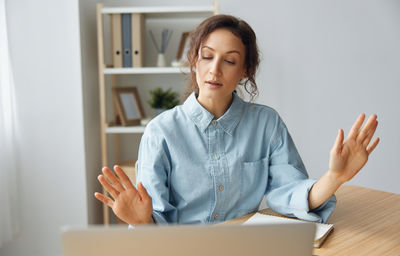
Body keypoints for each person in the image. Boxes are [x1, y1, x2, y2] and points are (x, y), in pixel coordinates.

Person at [94, 14, 379, 226]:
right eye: (206, 57)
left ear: (245, 71)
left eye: (229, 61)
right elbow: (156, 224)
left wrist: (335, 177)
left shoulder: (267, 123)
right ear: (194, 62)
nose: (214, 70)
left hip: (248, 248)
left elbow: (289, 193)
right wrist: (141, 221)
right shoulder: (161, 132)